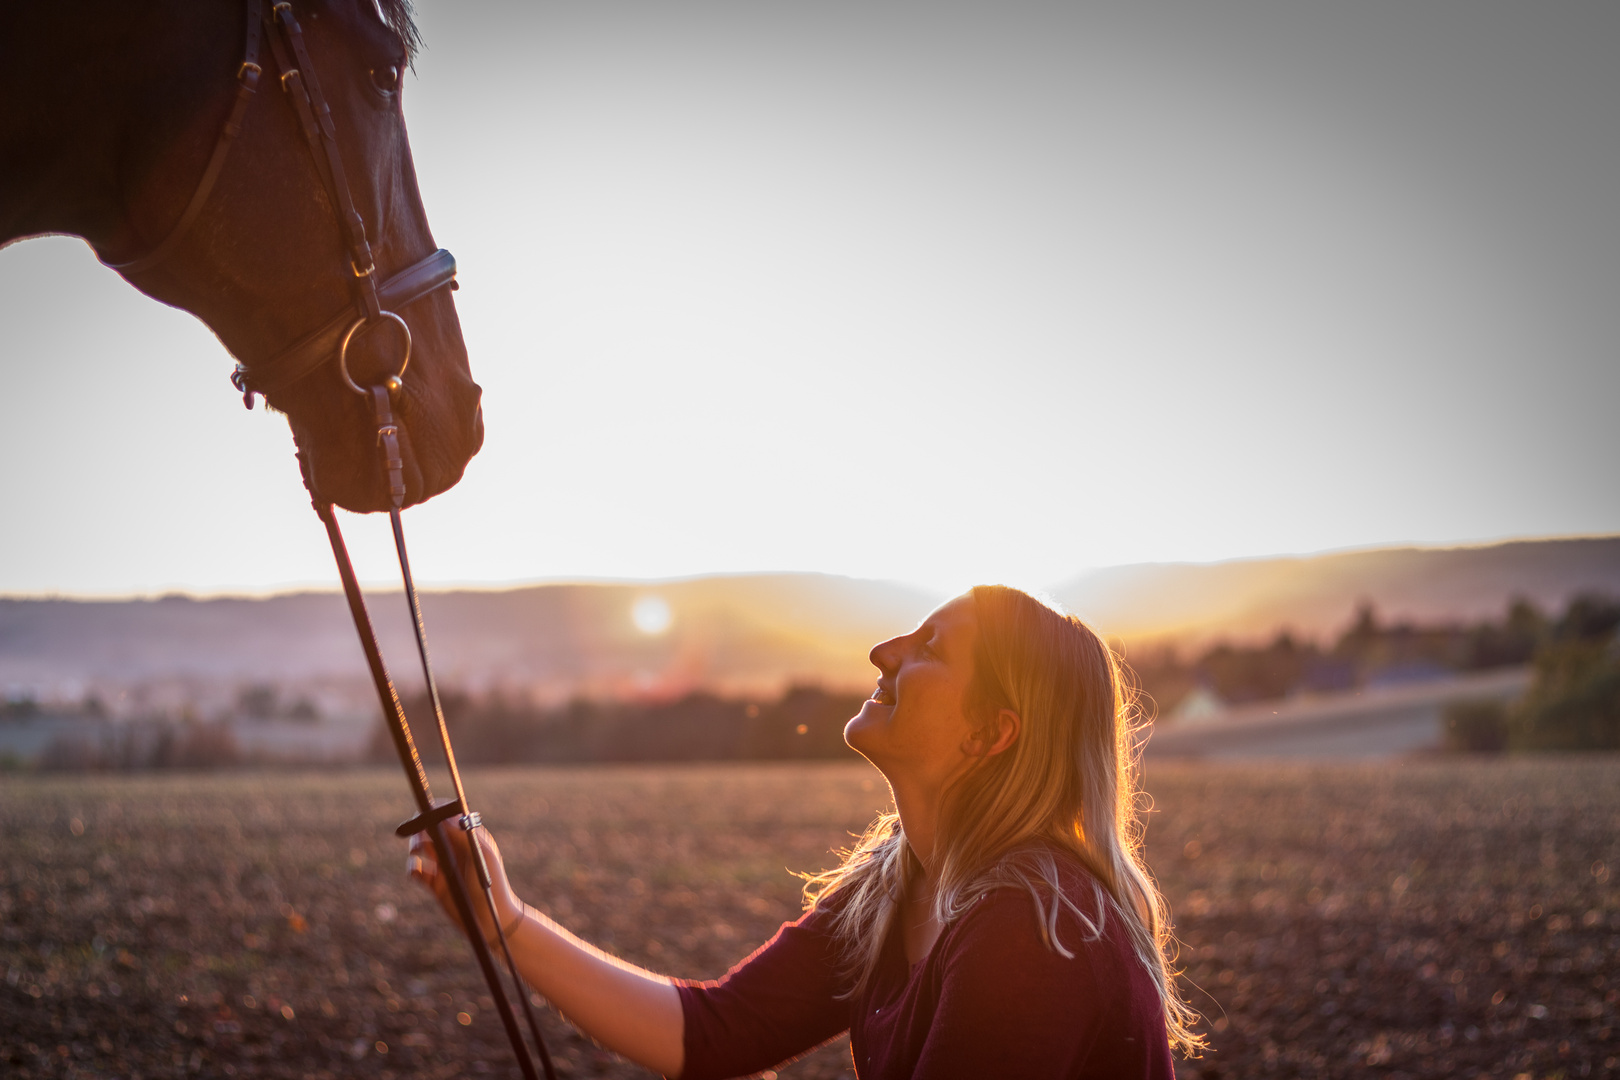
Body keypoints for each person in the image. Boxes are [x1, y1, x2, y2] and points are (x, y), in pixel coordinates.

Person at [407, 585, 1201, 1078]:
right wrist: (504, 922)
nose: (883, 652)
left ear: (991, 734)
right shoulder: (896, 888)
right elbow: (715, 1033)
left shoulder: (1032, 927)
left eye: (929, 649)